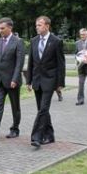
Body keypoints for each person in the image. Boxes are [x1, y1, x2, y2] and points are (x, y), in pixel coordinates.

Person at [27, 16, 65, 147]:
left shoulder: (56, 41)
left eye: (39, 25)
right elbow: (31, 62)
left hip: (50, 80)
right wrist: (28, 80)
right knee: (42, 110)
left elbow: (61, 63)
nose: (37, 27)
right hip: (37, 80)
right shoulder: (33, 41)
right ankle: (50, 135)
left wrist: (60, 83)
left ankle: (37, 136)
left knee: (43, 109)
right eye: (36, 25)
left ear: (47, 26)